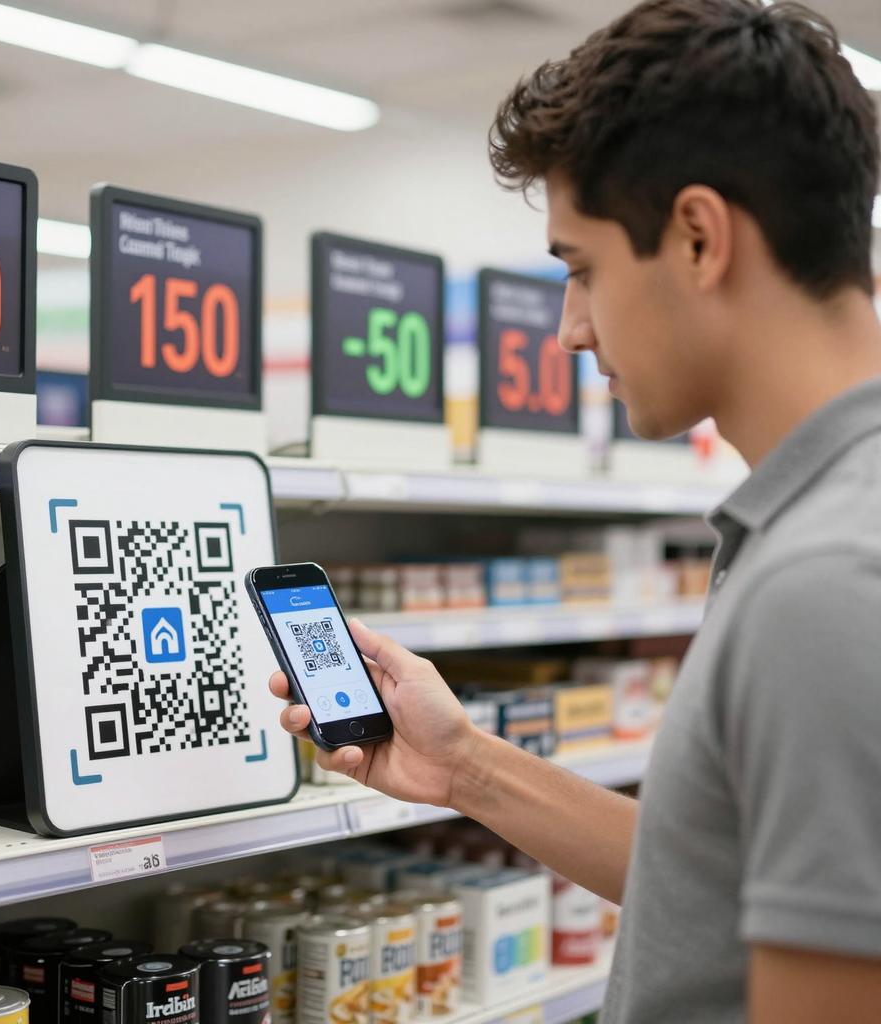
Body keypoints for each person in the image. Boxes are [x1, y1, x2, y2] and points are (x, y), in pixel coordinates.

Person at [271, 1, 881, 1019]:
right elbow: (723, 886)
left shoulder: (826, 580)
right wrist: (464, 766)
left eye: (582, 268)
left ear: (696, 237)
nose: (568, 329)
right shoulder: (821, 524)